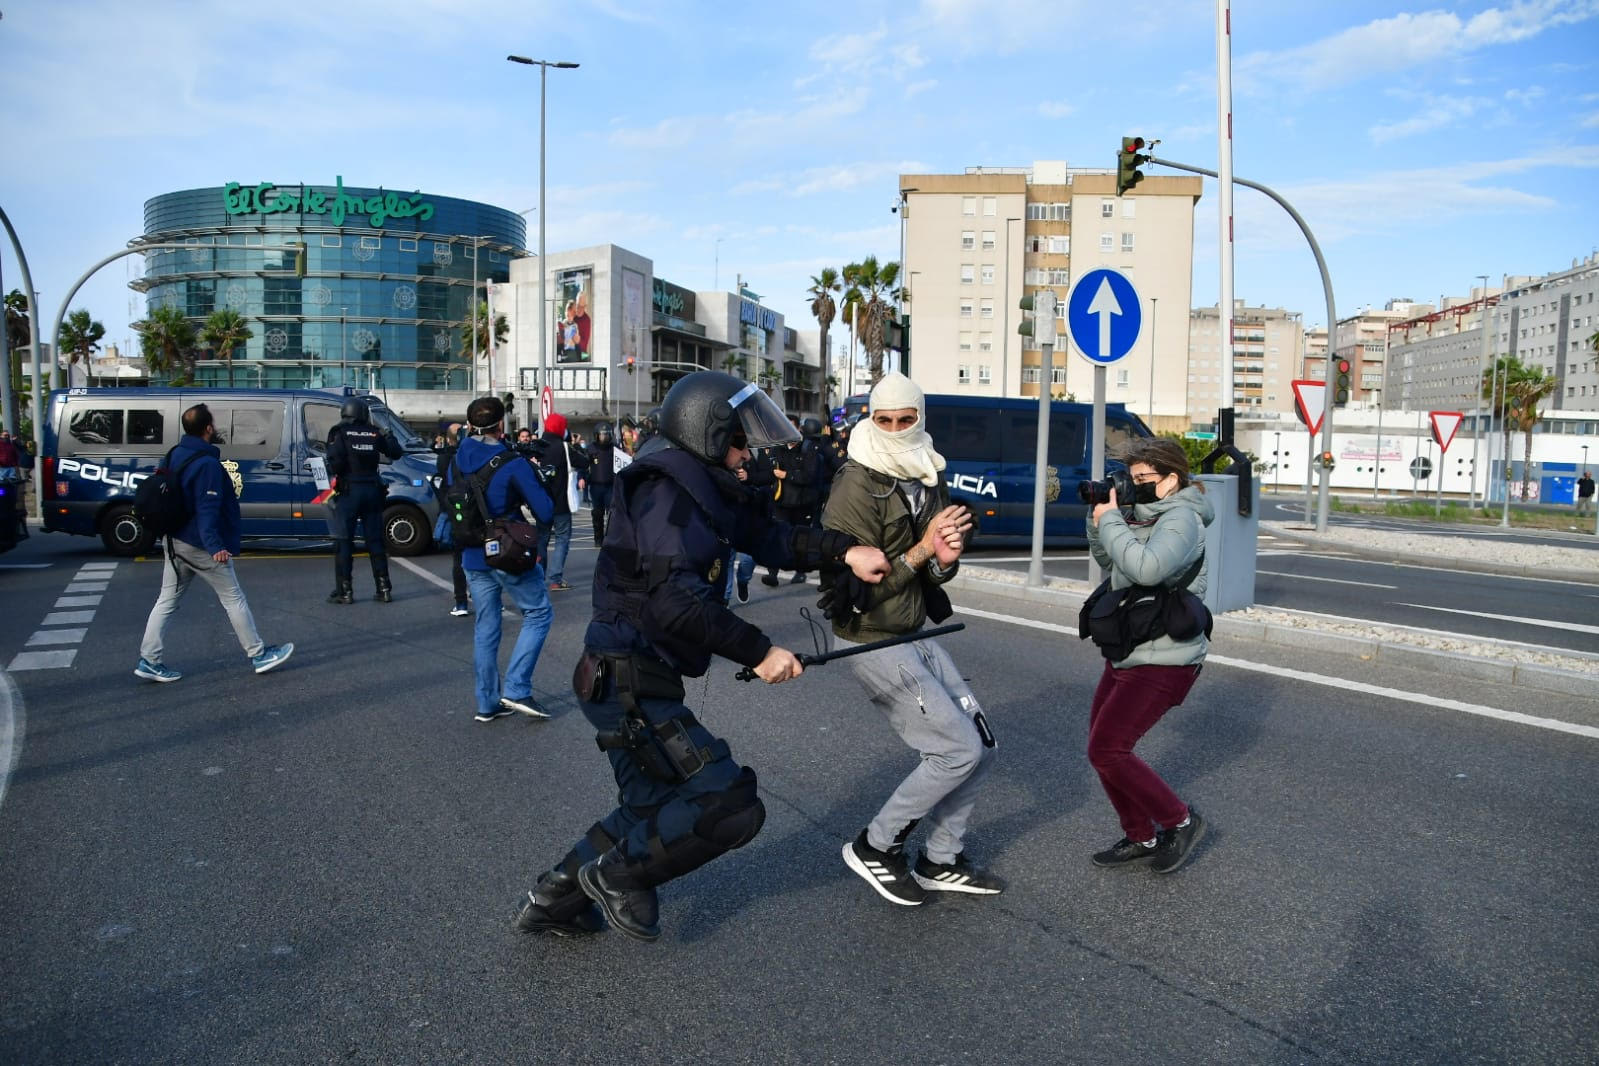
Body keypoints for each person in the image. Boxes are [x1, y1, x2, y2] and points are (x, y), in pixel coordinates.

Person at [513, 370, 890, 942]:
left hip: (628, 677)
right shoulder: (669, 493)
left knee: (651, 807)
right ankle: (616, 877)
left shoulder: (699, 486)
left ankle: (552, 898)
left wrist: (847, 551)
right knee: (728, 803)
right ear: (707, 435)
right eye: (738, 442)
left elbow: (771, 538)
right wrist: (760, 650)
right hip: (627, 679)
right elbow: (675, 604)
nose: (746, 456)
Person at [822, 372, 1003, 906]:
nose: (897, 429)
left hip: (913, 626)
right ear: (870, 420)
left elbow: (932, 569)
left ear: (921, 418)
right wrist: (925, 549)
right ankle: (876, 846)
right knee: (955, 750)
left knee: (981, 747)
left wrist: (945, 561)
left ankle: (940, 860)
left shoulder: (926, 468)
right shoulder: (857, 481)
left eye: (907, 419)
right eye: (885, 420)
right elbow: (857, 589)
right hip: (870, 635)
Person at [1084, 436, 1215, 875]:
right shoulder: (1141, 516)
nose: (1134, 485)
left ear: (1170, 480)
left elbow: (1147, 569)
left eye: (1143, 479)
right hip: (1130, 648)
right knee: (1101, 746)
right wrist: (1101, 517)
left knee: (1109, 749)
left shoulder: (1182, 519)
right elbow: (1111, 560)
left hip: (1167, 657)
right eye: (1132, 477)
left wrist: (1115, 524)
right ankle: (1141, 835)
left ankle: (1180, 819)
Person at [135, 403, 294, 683]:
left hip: (174, 540)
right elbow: (207, 508)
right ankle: (258, 654)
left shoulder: (175, 454)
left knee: (166, 601)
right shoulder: (207, 464)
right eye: (214, 423)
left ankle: (149, 660)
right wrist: (215, 546)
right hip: (199, 544)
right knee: (233, 598)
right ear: (208, 428)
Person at [446, 396, 558, 723]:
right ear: (500, 426)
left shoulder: (456, 460)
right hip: (507, 554)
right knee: (538, 613)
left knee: (486, 625)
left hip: (470, 555)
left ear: (469, 426)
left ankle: (487, 702)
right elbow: (546, 512)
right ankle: (518, 687)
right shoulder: (512, 462)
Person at [324, 396, 403, 604]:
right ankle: (384, 588)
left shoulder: (339, 432)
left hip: (349, 492)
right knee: (375, 541)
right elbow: (395, 453)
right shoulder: (374, 432)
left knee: (344, 542)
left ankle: (345, 591)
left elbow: (336, 463)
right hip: (373, 491)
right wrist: (390, 436)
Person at [766, 420, 824, 585]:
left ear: (799, 429)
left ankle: (800, 571)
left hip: (802, 503)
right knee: (777, 537)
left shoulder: (809, 448)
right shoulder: (779, 448)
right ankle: (773, 573)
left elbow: (809, 476)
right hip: (781, 501)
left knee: (800, 539)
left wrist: (787, 475)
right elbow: (770, 470)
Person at [532, 412, 580, 591]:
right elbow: (583, 462)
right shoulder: (564, 447)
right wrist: (574, 444)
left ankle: (537, 577)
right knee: (562, 539)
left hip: (540, 502)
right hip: (561, 503)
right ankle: (555, 579)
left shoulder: (538, 446)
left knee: (541, 540)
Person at [436, 423, 471, 616]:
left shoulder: (445, 458)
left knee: (458, 557)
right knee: (484, 556)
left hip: (457, 511)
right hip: (475, 510)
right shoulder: (474, 455)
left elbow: (444, 484)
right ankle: (490, 600)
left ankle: (461, 603)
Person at [586, 423, 619, 545]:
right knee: (597, 514)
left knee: (612, 514)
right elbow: (584, 465)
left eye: (606, 435)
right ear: (596, 435)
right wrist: (581, 478)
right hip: (596, 486)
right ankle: (598, 538)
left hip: (610, 486)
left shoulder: (615, 448)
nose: (604, 437)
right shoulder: (591, 448)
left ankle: (610, 538)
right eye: (601, 435)